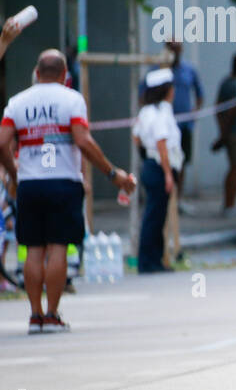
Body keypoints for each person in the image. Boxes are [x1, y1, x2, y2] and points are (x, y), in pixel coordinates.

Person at [0, 50, 136, 332]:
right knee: (58, 247)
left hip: (30, 185)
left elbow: (2, 144)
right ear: (64, 76)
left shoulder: (17, 103)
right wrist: (113, 174)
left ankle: (35, 315)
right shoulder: (72, 100)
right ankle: (52, 314)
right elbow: (83, 142)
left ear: (37, 73)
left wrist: (15, 174)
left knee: (33, 249)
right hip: (63, 182)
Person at [141, 40, 203, 213]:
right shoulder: (160, 114)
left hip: (183, 127)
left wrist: (193, 114)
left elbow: (200, 94)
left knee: (181, 161)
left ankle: (177, 199)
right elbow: (160, 143)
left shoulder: (189, 69)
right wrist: (168, 175)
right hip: (161, 138)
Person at [133, 68, 184, 273]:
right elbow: (161, 143)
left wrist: (147, 155)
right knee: (155, 216)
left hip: (151, 165)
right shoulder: (162, 111)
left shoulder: (146, 111)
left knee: (155, 215)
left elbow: (136, 138)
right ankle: (149, 262)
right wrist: (167, 173)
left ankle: (152, 260)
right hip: (160, 167)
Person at [211, 53, 236, 218]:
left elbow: (217, 108)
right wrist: (224, 134)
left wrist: (222, 131)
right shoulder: (235, 86)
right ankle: (229, 204)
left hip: (232, 132)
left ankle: (230, 203)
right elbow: (231, 111)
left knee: (235, 167)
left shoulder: (226, 83)